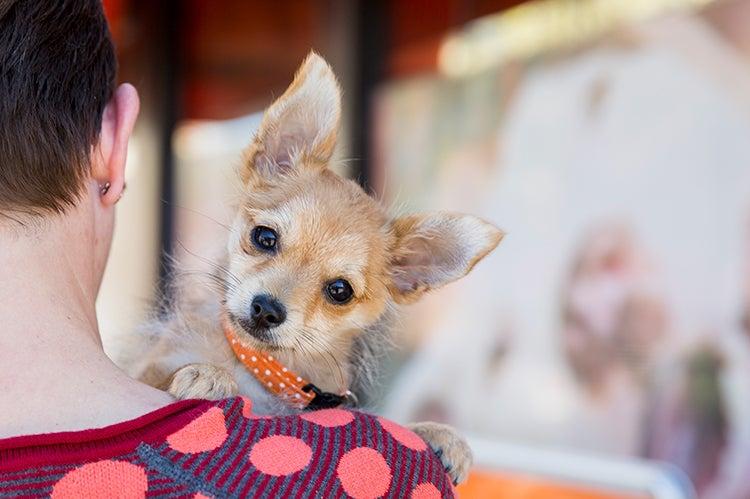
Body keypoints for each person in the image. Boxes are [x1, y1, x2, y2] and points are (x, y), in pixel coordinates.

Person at [0, 1, 454, 497]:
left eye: (338, 290)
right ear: (113, 145)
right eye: (266, 240)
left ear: (411, 278)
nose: (274, 299)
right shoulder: (382, 470)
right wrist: (411, 460)